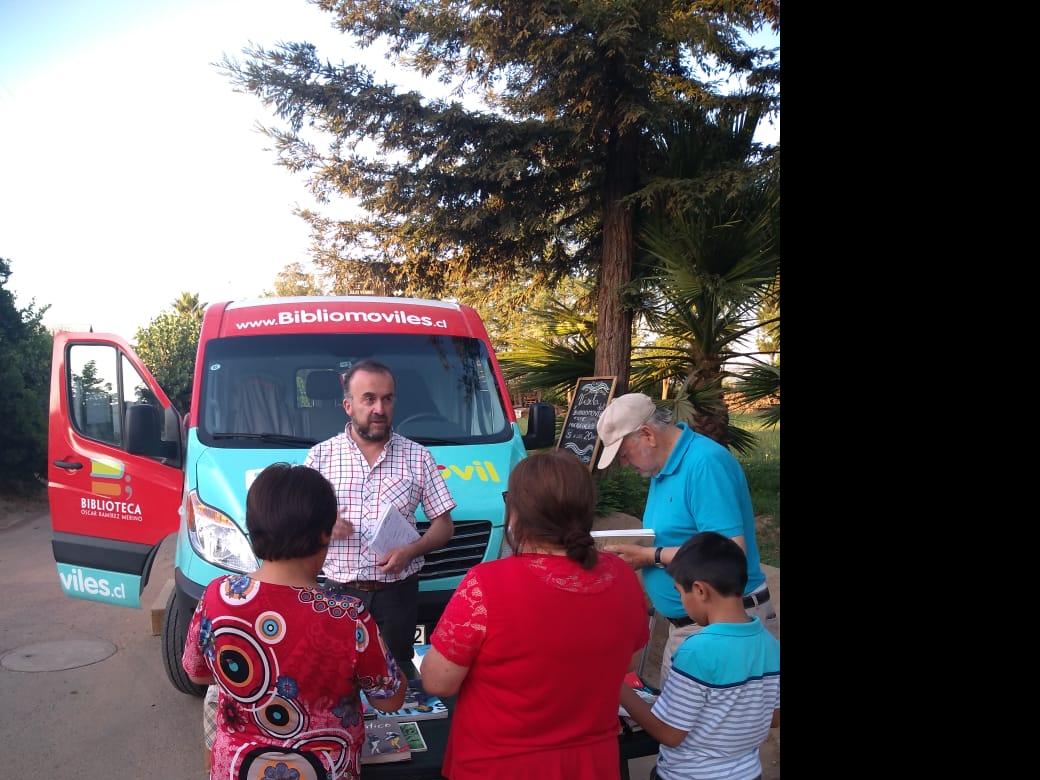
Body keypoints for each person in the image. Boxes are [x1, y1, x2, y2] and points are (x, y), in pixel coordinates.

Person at [420, 450, 650, 780]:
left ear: (518, 513)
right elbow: (627, 661)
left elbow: (437, 681)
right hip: (590, 762)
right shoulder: (621, 576)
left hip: (502, 763)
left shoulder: (487, 584)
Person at [182, 463, 407, 780]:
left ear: (254, 525)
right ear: (324, 534)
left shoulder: (217, 597)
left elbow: (197, 673)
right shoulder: (349, 617)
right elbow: (392, 699)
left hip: (238, 770)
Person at [596, 393, 778, 685]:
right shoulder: (661, 469)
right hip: (690, 625)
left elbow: (728, 552)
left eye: (624, 453)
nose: (625, 463)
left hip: (719, 626)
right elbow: (684, 537)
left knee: (709, 729)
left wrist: (650, 556)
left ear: (647, 435)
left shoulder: (704, 464)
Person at [304, 359, 456, 671]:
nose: (379, 408)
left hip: (397, 594)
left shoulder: (418, 457)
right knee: (337, 674)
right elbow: (298, 523)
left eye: (387, 399)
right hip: (338, 592)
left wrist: (412, 550)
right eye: (369, 398)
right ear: (348, 406)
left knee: (393, 674)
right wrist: (322, 527)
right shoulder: (320, 457)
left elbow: (444, 526)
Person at [619, 532, 780, 780]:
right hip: (748, 774)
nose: (683, 603)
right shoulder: (770, 645)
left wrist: (617, 688)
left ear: (700, 590)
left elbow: (670, 734)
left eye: (681, 593)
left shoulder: (696, 651)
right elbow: (774, 717)